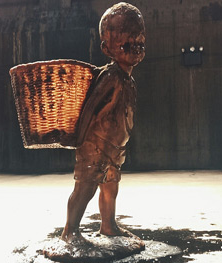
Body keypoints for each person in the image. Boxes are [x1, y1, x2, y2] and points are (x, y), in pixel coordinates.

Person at [61, 2, 146, 244]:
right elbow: (90, 107)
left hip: (114, 148)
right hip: (94, 145)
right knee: (85, 188)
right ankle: (70, 231)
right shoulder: (110, 77)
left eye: (139, 41)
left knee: (110, 186)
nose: (135, 46)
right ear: (106, 48)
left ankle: (108, 225)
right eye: (125, 43)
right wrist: (78, 137)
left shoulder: (128, 81)